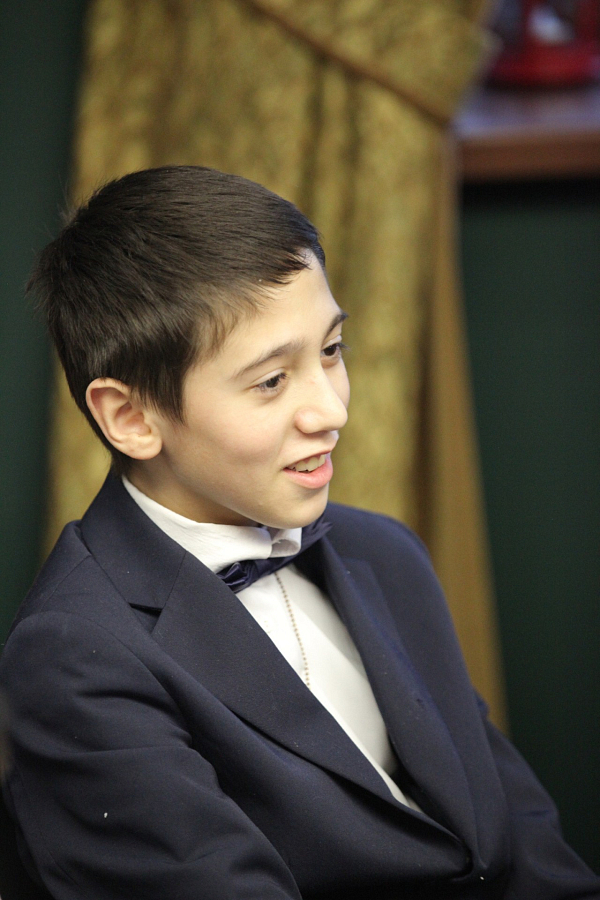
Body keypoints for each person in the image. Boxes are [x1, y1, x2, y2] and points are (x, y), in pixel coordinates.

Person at [0, 166, 597, 900]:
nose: (332, 411)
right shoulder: (73, 657)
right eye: (271, 381)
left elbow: (520, 834)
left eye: (332, 350)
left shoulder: (385, 552)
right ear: (131, 417)